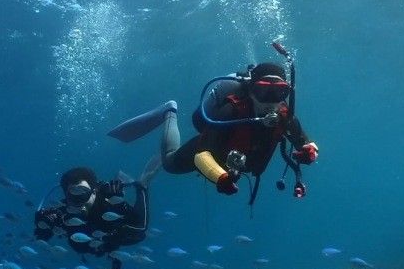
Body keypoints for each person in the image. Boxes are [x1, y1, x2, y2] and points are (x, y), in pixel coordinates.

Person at [108, 48, 318, 207]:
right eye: (263, 92)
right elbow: (202, 155)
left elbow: (305, 142)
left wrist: (309, 151)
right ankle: (169, 112)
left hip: (235, 163)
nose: (271, 101)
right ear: (251, 91)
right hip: (212, 151)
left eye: (279, 92)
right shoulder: (230, 111)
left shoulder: (285, 116)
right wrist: (220, 177)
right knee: (170, 164)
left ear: (287, 93)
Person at [34, 160, 158, 269]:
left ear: (94, 190)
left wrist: (139, 190)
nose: (79, 199)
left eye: (83, 191)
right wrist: (43, 225)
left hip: (111, 242)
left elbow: (140, 229)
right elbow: (42, 236)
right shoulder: (63, 211)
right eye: (73, 192)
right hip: (84, 247)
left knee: (135, 235)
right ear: (66, 194)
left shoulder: (108, 201)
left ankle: (114, 257)